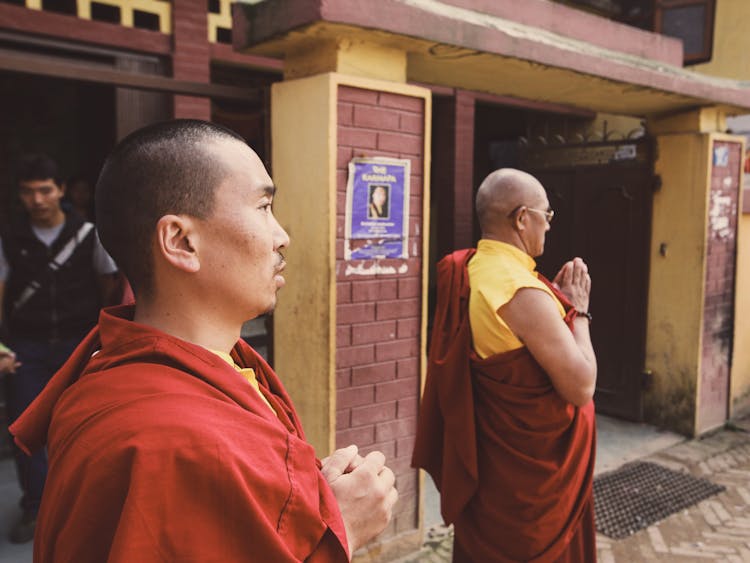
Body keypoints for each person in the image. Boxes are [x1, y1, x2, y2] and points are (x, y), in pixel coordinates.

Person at [9, 120, 398, 561]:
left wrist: (315, 498)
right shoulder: (170, 441)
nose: (282, 235)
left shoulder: (218, 368)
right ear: (181, 241)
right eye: (264, 206)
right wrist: (339, 528)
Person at [412, 168, 597, 562]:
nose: (548, 225)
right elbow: (581, 387)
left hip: (492, 469)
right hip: (531, 490)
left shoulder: (467, 269)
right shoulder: (521, 291)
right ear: (521, 218)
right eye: (546, 215)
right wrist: (578, 311)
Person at [0, 153, 120, 544]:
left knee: (87, 426)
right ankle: (36, 507)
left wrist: (99, 341)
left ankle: (83, 505)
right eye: (28, 192)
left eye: (45, 190)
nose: (37, 200)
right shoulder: (10, 239)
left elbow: (108, 288)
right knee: (26, 430)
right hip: (26, 347)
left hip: (78, 344)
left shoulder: (88, 234)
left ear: (61, 191)